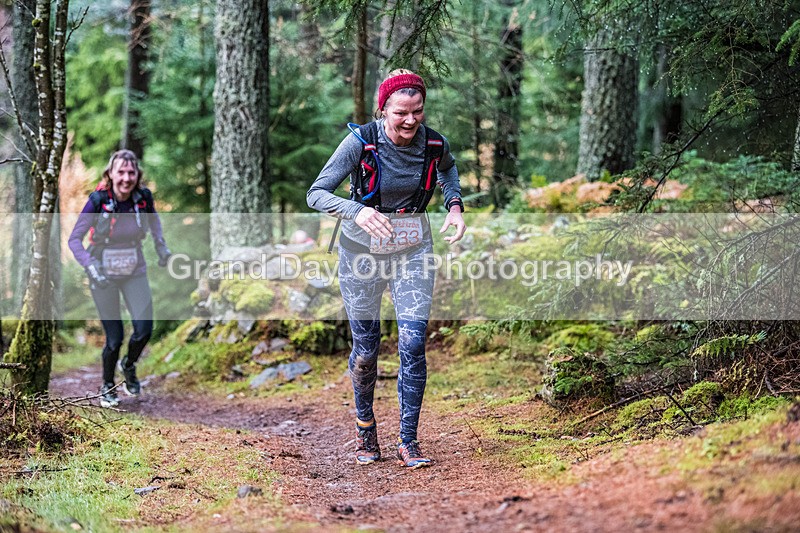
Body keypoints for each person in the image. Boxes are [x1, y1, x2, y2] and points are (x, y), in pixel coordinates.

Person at [307, 69, 466, 468]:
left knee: (412, 341)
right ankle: (365, 428)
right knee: (366, 349)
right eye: (401, 113)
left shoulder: (433, 143)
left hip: (413, 250)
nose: (411, 120)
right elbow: (316, 194)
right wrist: (357, 211)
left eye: (418, 111)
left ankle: (408, 440)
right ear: (383, 110)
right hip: (360, 254)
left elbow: (447, 168)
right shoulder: (360, 141)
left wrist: (455, 205)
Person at [68, 149, 171, 408]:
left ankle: (129, 364)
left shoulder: (143, 198)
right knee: (114, 338)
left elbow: (155, 223)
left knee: (144, 329)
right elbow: (74, 240)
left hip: (134, 269)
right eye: (121, 172)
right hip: (103, 272)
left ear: (137, 175)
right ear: (111, 174)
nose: (126, 178)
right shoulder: (98, 200)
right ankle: (107, 385)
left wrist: (161, 247)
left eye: (131, 172)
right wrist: (90, 266)